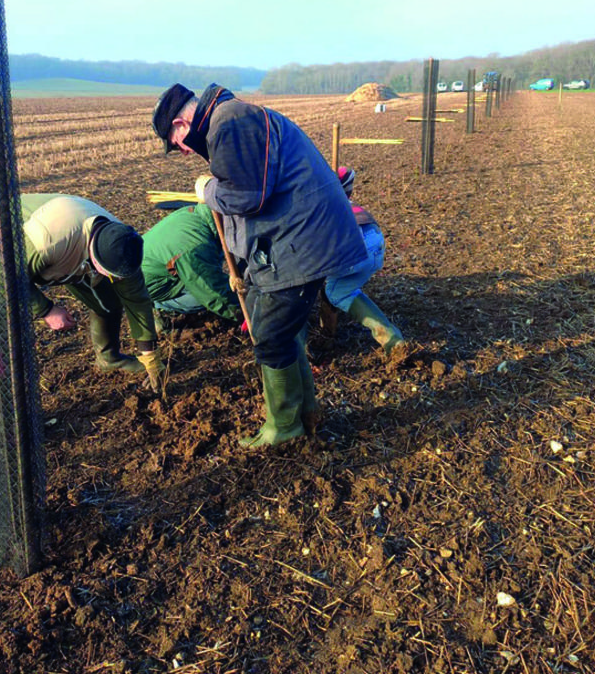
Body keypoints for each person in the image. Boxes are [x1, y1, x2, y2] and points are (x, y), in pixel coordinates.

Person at [152, 82, 370, 448]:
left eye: (177, 143)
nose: (185, 152)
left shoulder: (230, 122)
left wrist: (207, 190)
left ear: (180, 123)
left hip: (302, 242)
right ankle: (305, 412)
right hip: (293, 240)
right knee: (280, 333)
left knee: (271, 335)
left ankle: (284, 426)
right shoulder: (229, 120)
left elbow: (245, 196)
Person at [21, 193, 164, 390]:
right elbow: (4, 277)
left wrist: (150, 358)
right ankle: (7, 386)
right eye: (114, 275)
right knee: (9, 317)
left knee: (108, 302)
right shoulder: (46, 241)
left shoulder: (123, 245)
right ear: (95, 260)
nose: (121, 279)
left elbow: (137, 301)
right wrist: (47, 310)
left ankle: (109, 359)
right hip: (13, 237)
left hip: (70, 251)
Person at [322, 167, 404, 352]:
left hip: (352, 246)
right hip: (375, 241)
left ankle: (312, 343)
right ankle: (392, 340)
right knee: (343, 288)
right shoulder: (336, 192)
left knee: (330, 292)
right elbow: (345, 173)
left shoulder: (316, 202)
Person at [141, 202, 242, 326]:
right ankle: (162, 308)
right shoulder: (194, 247)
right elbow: (212, 291)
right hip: (148, 287)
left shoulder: (196, 214)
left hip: (155, 267)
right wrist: (246, 313)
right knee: (203, 293)